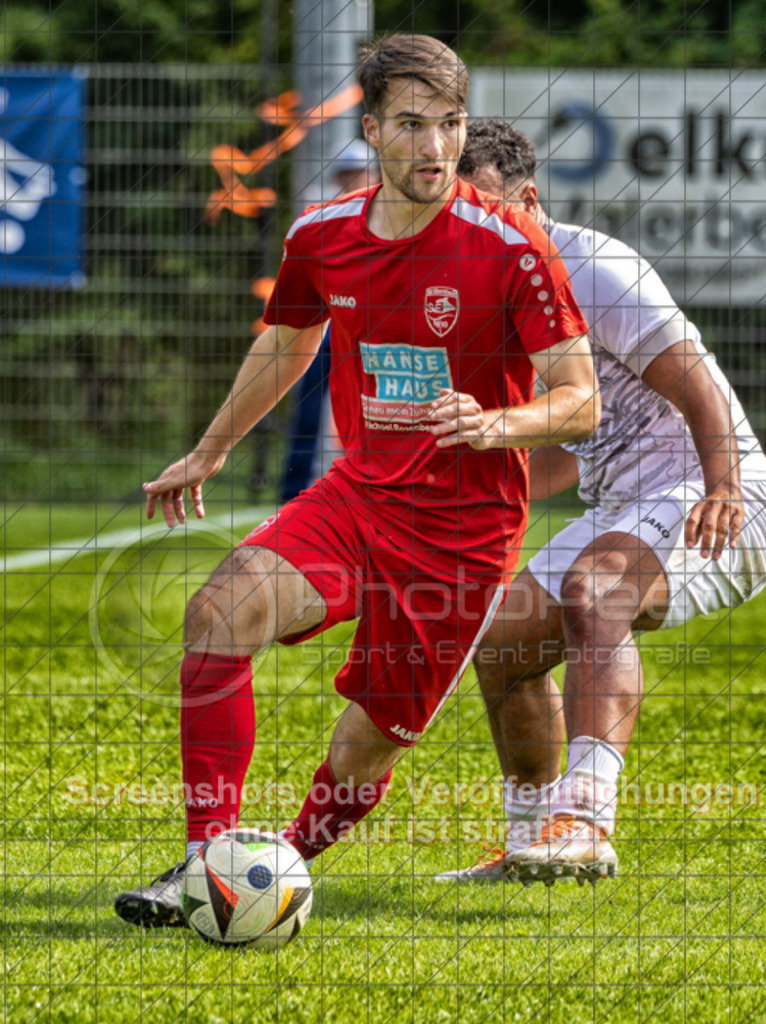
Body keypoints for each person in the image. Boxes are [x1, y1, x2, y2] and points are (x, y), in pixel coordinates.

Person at [114, 39, 598, 928]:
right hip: (358, 500)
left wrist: (498, 423)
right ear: (370, 129)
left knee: (360, 754)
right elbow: (288, 341)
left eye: (448, 126)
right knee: (219, 611)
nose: (434, 149)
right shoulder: (321, 234)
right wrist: (212, 448)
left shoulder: (510, 246)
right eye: (410, 125)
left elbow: (579, 401)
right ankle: (200, 865)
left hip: (461, 535)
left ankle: (276, 867)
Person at [435, 119, 766, 885]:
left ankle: (586, 822)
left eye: (485, 205)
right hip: (625, 507)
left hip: (717, 489)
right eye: (455, 210)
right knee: (500, 648)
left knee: (595, 590)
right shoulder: (489, 288)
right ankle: (531, 844)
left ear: (527, 199)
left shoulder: (589, 265)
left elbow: (694, 382)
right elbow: (571, 440)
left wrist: (725, 487)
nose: (470, 223)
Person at [280, 139, 381, 500]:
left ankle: (368, 487)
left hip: (373, 334)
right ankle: (294, 490)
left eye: (360, 173)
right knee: (309, 413)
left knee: (376, 413)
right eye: (347, 175)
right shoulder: (327, 219)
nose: (353, 181)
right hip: (327, 330)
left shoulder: (396, 216)